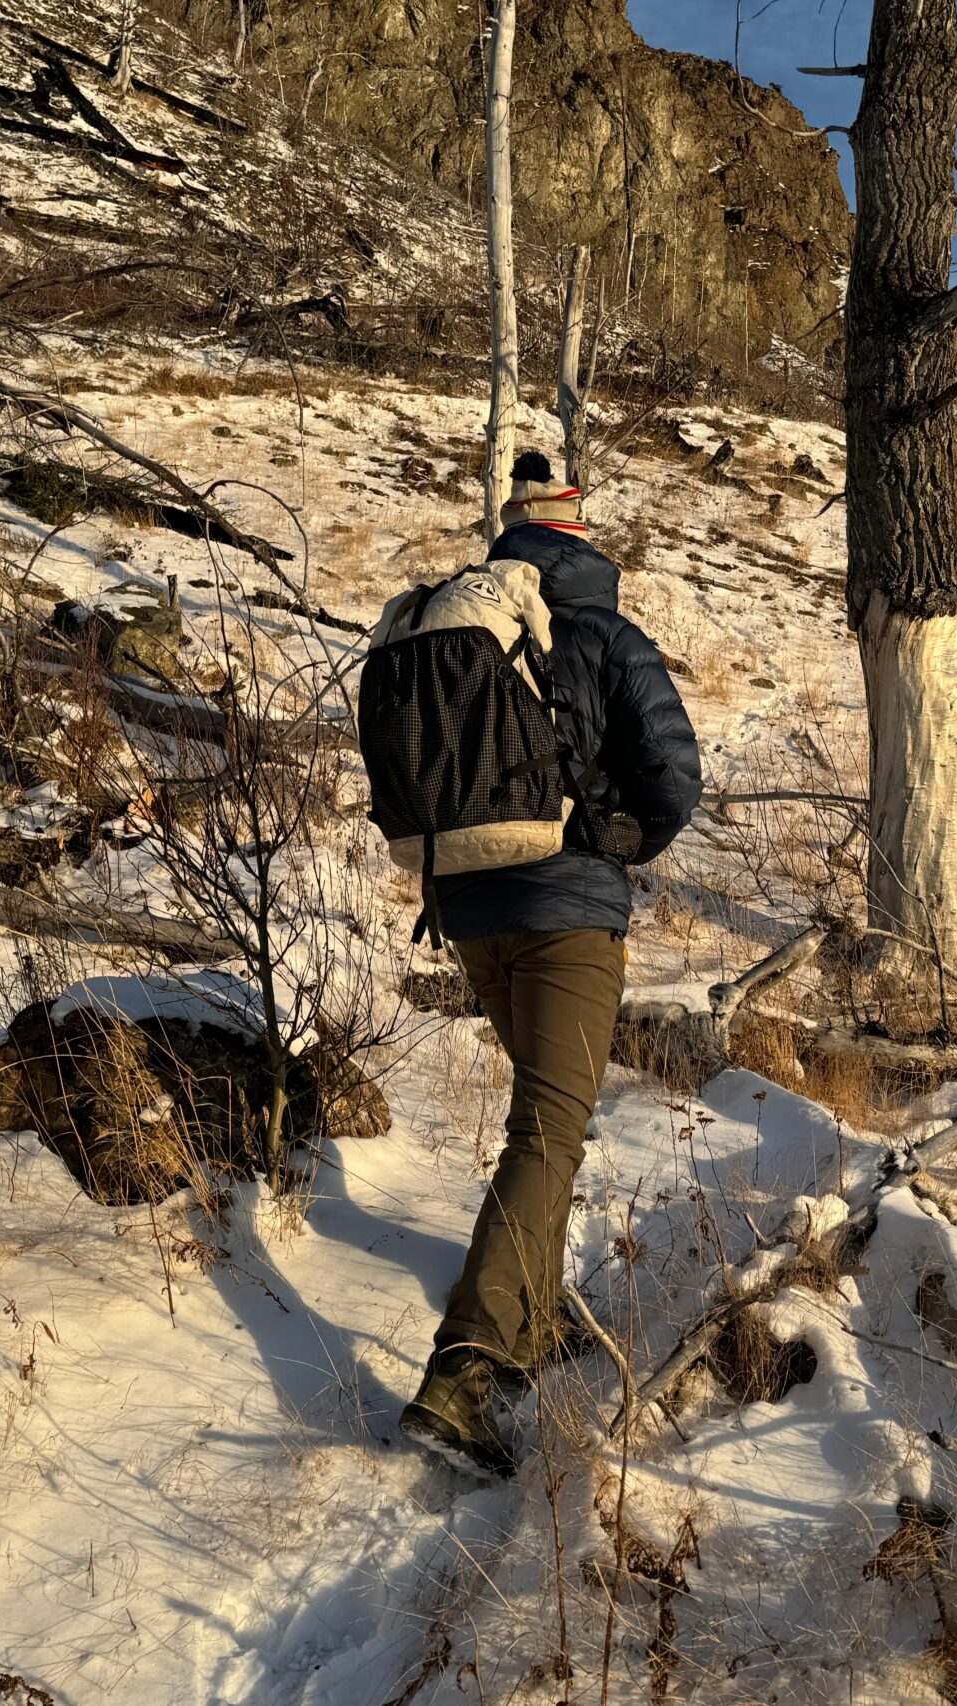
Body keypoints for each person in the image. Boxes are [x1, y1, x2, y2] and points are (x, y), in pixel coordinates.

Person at [397, 450, 703, 1477]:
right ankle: (464, 1373)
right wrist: (623, 841)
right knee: (548, 1125)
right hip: (566, 908)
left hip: (464, 903)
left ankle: (529, 1324)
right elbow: (673, 772)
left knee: (543, 1116)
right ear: (579, 537)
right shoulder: (606, 632)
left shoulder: (460, 622)